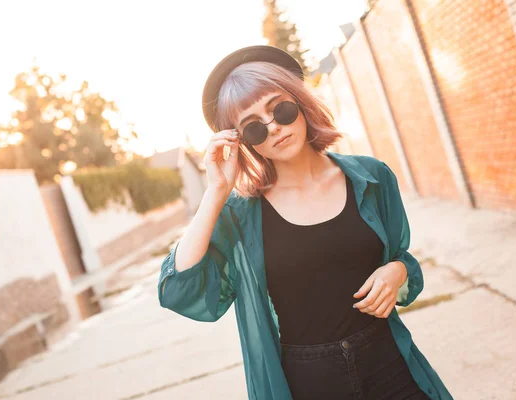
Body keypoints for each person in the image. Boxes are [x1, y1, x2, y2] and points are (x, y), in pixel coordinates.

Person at [158, 45, 453, 400]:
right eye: (253, 128)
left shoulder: (372, 178)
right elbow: (178, 290)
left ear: (300, 102)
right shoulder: (239, 215)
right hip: (308, 383)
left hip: (388, 364)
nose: (274, 128)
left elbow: (401, 256)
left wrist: (398, 271)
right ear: (240, 142)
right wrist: (216, 193)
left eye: (279, 109)